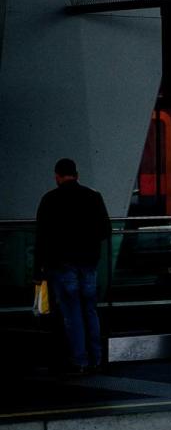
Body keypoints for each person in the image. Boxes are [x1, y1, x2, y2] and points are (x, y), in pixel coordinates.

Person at [34, 158, 112, 374]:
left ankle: (80, 360)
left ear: (57, 176)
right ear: (77, 174)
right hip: (88, 262)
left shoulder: (50, 200)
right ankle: (96, 357)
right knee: (90, 310)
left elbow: (41, 238)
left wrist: (37, 270)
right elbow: (106, 230)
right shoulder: (93, 197)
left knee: (72, 313)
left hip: (62, 263)